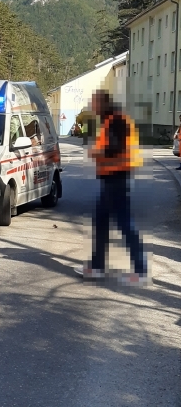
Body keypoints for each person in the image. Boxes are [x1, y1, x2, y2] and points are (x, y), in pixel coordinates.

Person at [75, 90, 147, 286]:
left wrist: (96, 152)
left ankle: (141, 271)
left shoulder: (117, 120)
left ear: (103, 103)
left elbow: (115, 147)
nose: (93, 107)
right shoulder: (111, 119)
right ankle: (97, 267)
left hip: (117, 177)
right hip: (111, 178)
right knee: (101, 221)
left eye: (95, 103)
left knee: (125, 224)